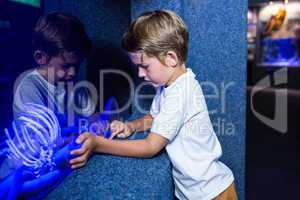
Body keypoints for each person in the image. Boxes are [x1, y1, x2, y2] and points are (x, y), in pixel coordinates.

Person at [70, 10, 237, 200]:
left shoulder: (181, 92)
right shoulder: (168, 85)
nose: (140, 74)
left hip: (213, 193)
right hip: (196, 192)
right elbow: (153, 118)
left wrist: (99, 144)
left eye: (145, 66)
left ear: (171, 58)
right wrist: (131, 126)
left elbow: (151, 147)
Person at [13, 12, 94, 128]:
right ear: (40, 57)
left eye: (77, 65)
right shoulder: (29, 87)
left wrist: (98, 121)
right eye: (66, 66)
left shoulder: (74, 84)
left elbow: (92, 116)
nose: (73, 72)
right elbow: (42, 135)